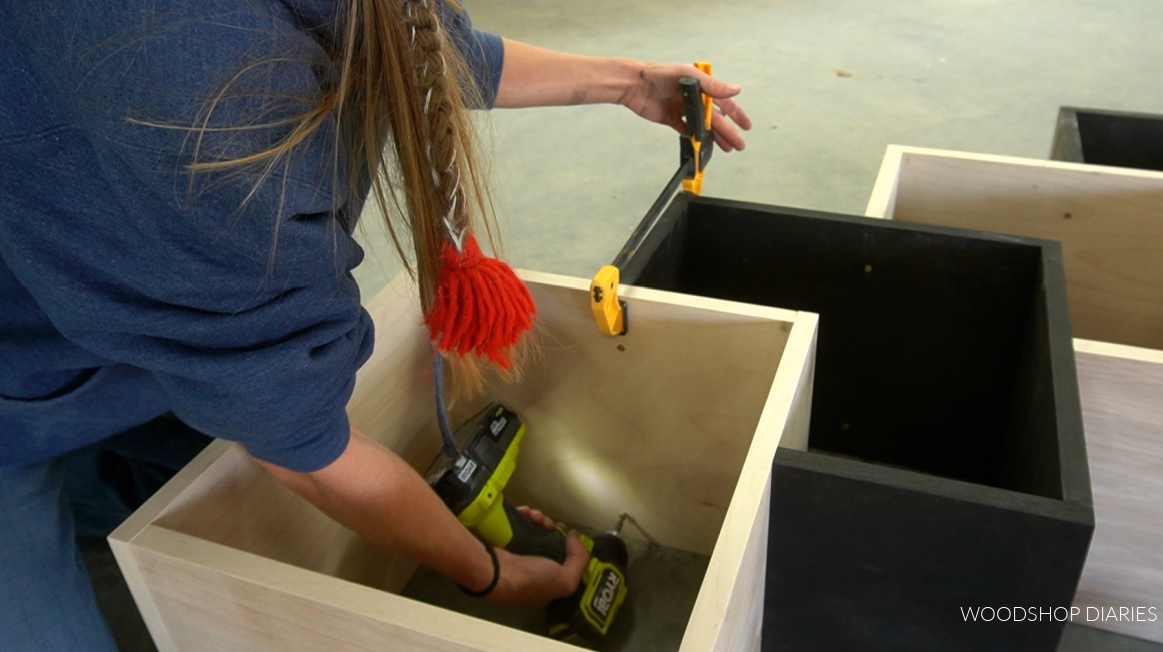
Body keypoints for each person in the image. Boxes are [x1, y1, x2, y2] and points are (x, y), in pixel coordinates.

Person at [0, 0, 752, 649]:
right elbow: (303, 447)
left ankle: (100, 484)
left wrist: (622, 82)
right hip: (23, 368)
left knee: (193, 497)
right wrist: (489, 572)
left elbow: (415, 51)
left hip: (117, 298)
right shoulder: (202, 81)